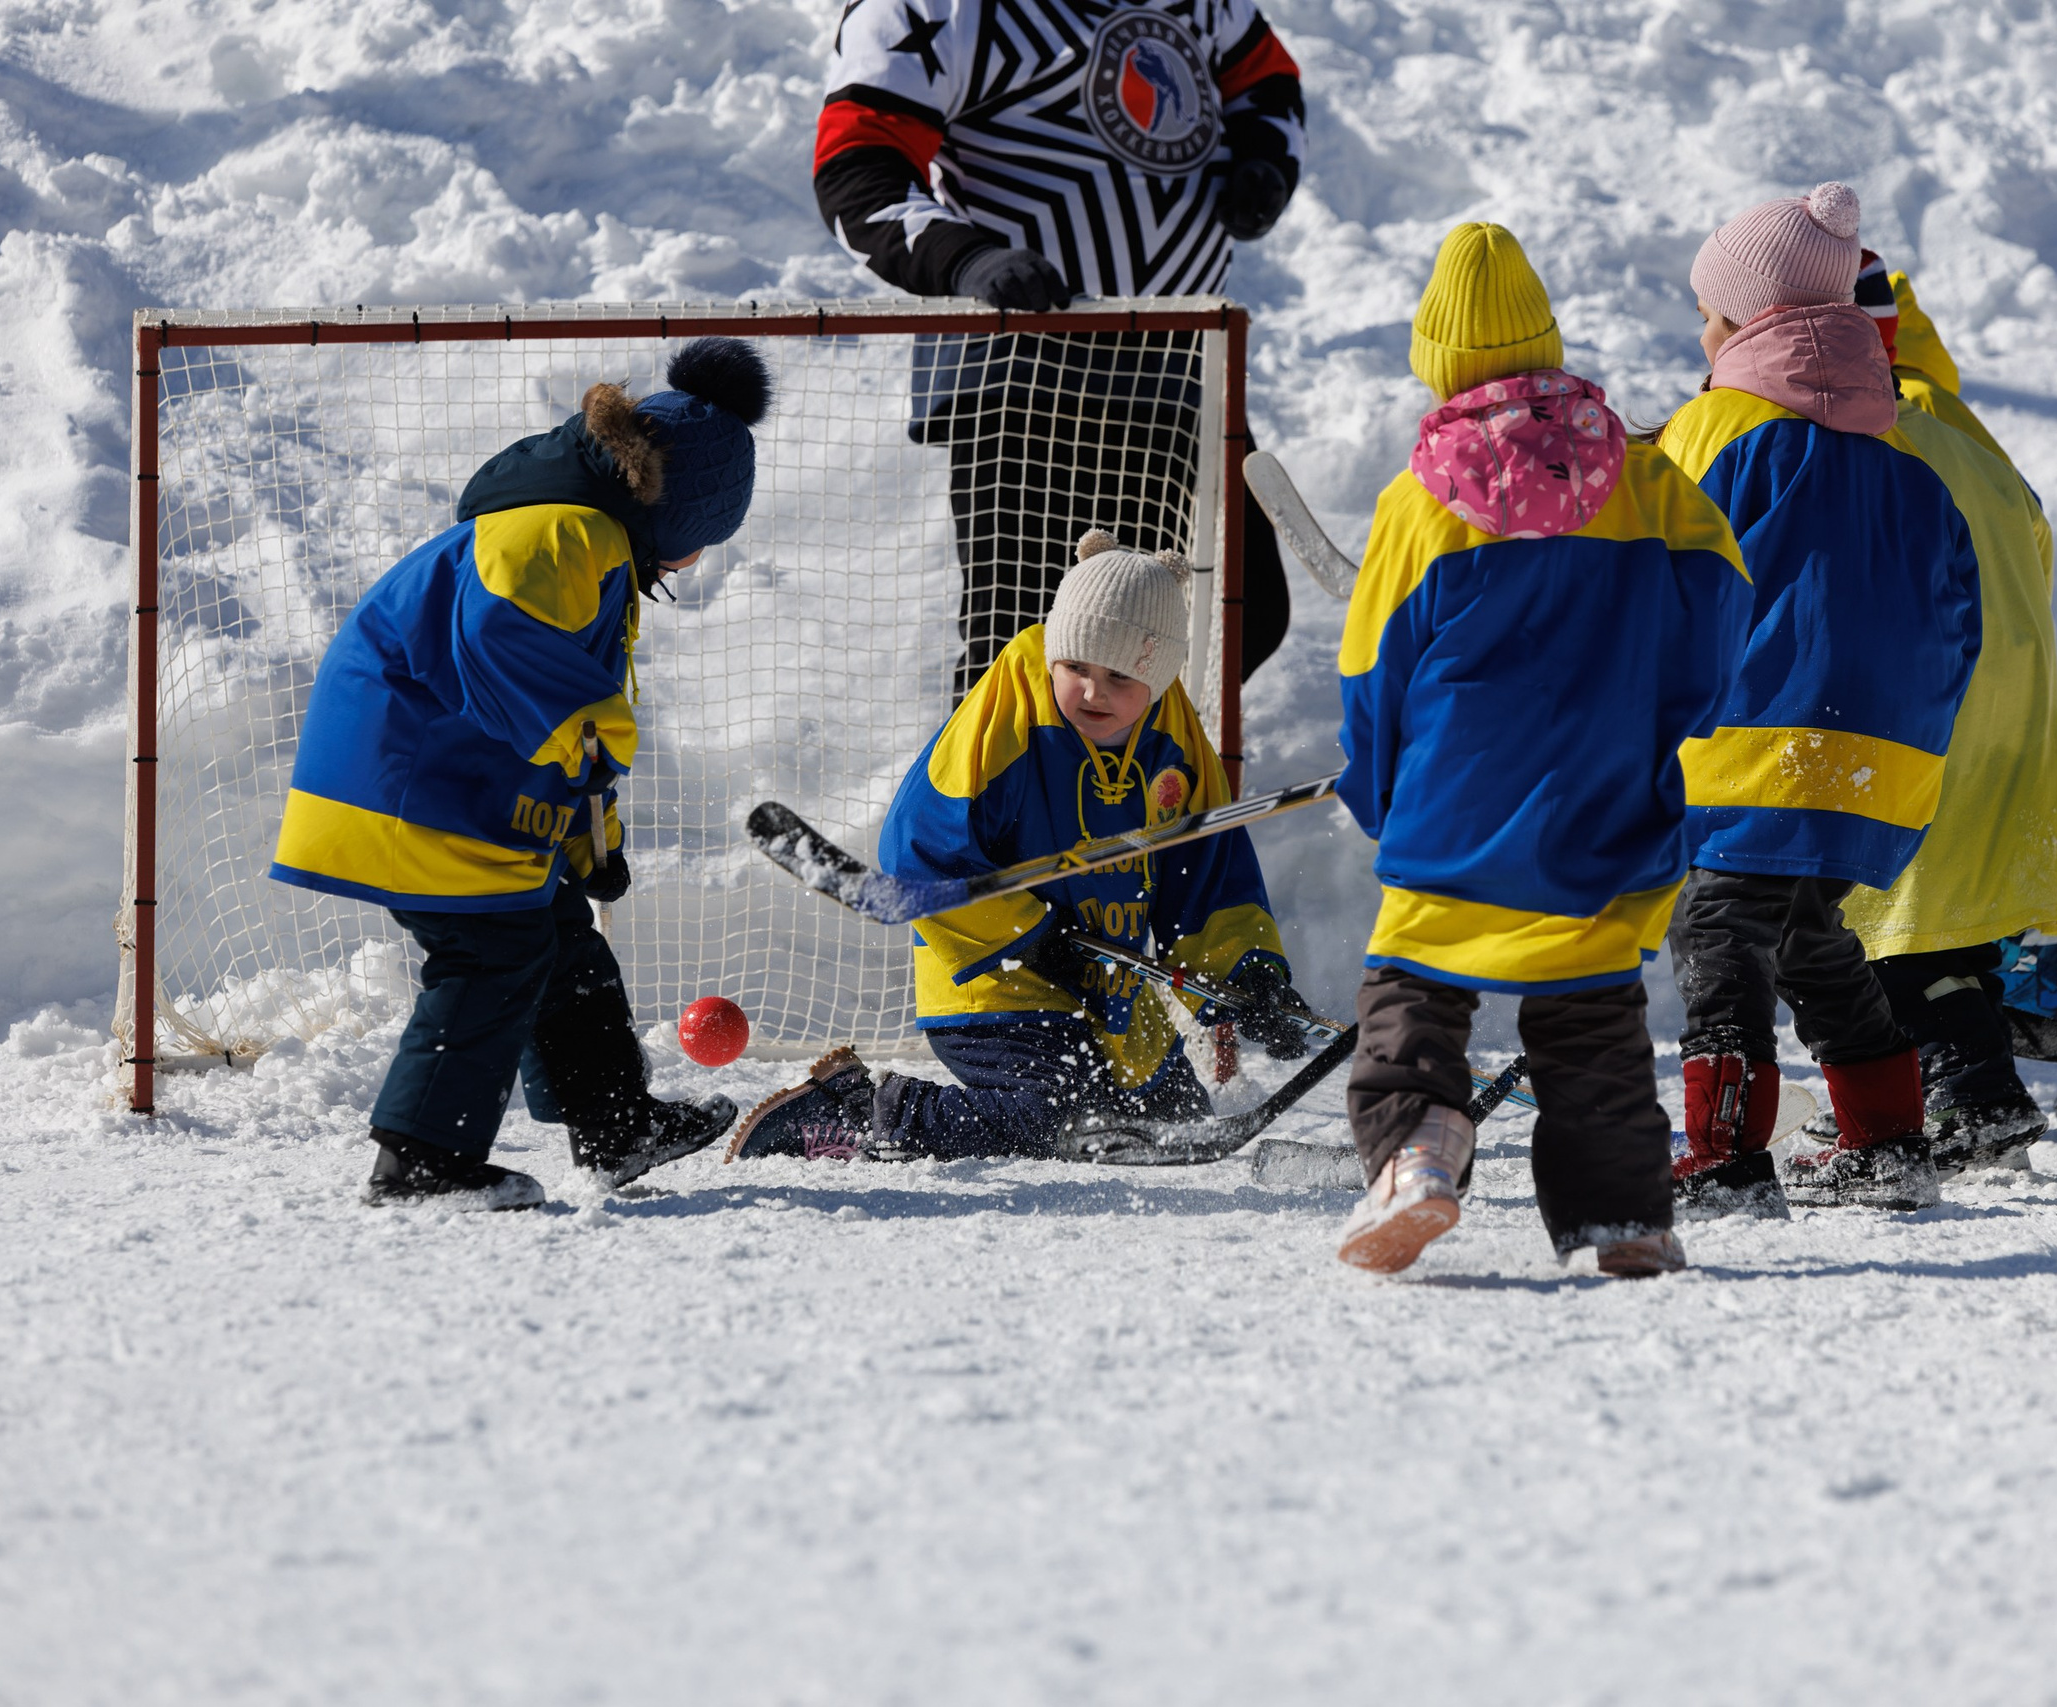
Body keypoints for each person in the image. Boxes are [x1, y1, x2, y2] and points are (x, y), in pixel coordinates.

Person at [1332, 222, 1752, 1277]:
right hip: (1606, 802)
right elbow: (1721, 603)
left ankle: (1417, 1155)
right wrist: (1669, 716)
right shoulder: (1645, 479)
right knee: (1591, 1019)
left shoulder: (1418, 501)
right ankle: (1623, 1216)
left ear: (1437, 366)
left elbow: (1373, 666)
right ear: (1548, 345)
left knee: (1412, 993)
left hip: (1453, 808)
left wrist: (1383, 794)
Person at [267, 341, 774, 1209]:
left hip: (449, 783)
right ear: (677, 516)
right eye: (699, 545)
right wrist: (596, 739)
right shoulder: (563, 532)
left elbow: (569, 723)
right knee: (491, 952)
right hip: (409, 780)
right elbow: (503, 643)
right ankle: (421, 1160)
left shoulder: (591, 542)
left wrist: (593, 844)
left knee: (559, 932)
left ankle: (615, 1126)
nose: (691, 564)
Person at [728, 529, 1307, 1161]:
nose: (1092, 691)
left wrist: (1249, 976)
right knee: (1055, 1113)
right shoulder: (1011, 713)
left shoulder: (1175, 742)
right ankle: (862, 1112)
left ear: (1159, 677)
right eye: (1075, 667)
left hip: (1110, 989)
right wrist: (1029, 936)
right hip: (996, 978)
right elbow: (918, 849)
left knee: (1174, 1123)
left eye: (1118, 676)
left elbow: (1210, 877)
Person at [812, 0, 1307, 694]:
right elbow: (854, 166)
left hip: (1181, 361)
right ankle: (980, 802)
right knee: (1034, 644)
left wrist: (1265, 158)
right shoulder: (939, 8)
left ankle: (1139, 790)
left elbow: (1268, 80)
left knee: (1238, 615)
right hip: (1027, 374)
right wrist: (967, 259)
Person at [1658, 183, 1984, 1213]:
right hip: (1883, 761)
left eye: (1709, 315)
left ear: (1749, 323)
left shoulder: (1714, 432)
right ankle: (1888, 1142)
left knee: (1718, 932)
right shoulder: (1903, 463)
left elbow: (1654, 575)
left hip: (1753, 747)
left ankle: (1721, 1158)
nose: (1700, 335)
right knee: (1806, 934)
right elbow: (1957, 615)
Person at [1846, 252, 2057, 1148]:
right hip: (1994, 684)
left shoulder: (1900, 420)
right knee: (1959, 900)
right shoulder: (1937, 415)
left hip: (1945, 693)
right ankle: (1998, 1050)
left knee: (1925, 909)